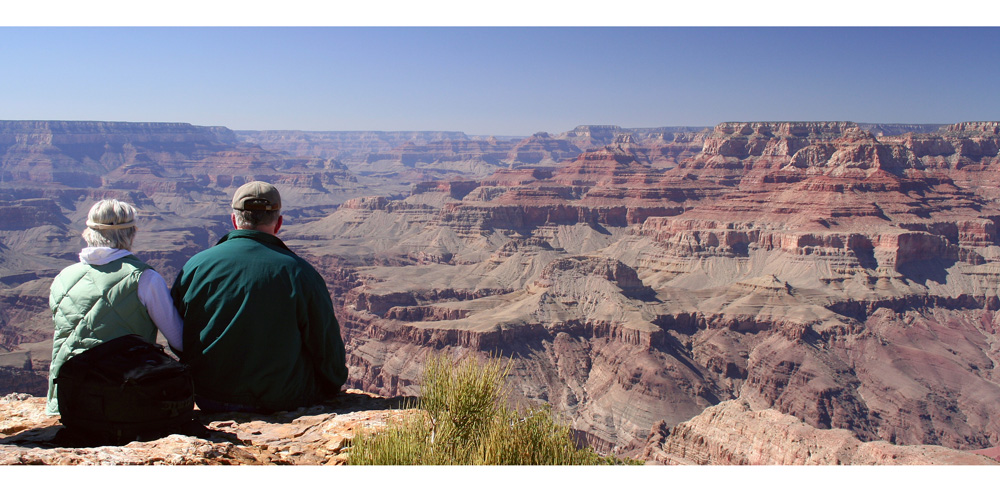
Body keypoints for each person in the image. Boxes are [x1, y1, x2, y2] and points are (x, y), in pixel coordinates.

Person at [171, 181, 347, 413]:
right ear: (279, 223)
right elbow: (325, 345)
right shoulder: (300, 272)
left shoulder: (195, 266)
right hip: (282, 399)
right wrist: (334, 384)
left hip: (208, 396)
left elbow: (175, 331)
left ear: (234, 220)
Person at [47, 199, 183, 415]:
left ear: (89, 232)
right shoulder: (144, 278)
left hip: (69, 401)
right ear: (131, 233)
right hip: (124, 399)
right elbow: (178, 339)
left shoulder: (62, 278)